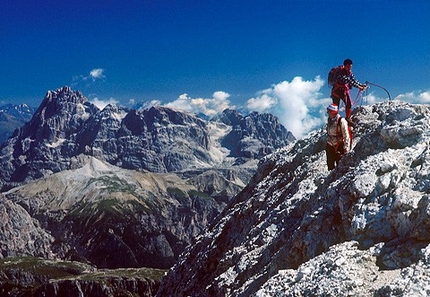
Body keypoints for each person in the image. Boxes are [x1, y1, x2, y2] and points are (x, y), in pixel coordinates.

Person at [331, 59, 367, 124]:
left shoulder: (349, 73)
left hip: (342, 91)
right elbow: (349, 81)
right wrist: (359, 87)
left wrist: (361, 85)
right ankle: (334, 120)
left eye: (350, 67)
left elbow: (353, 80)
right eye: (348, 67)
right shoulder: (340, 72)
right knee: (335, 107)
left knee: (349, 104)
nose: (349, 69)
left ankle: (347, 118)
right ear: (344, 66)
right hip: (337, 91)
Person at [325, 103, 351, 170]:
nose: (328, 113)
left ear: (333, 112)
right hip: (330, 145)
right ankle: (331, 177)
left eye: (329, 111)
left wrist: (346, 148)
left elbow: (346, 135)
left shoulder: (341, 121)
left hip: (339, 146)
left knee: (340, 164)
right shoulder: (330, 119)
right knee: (330, 164)